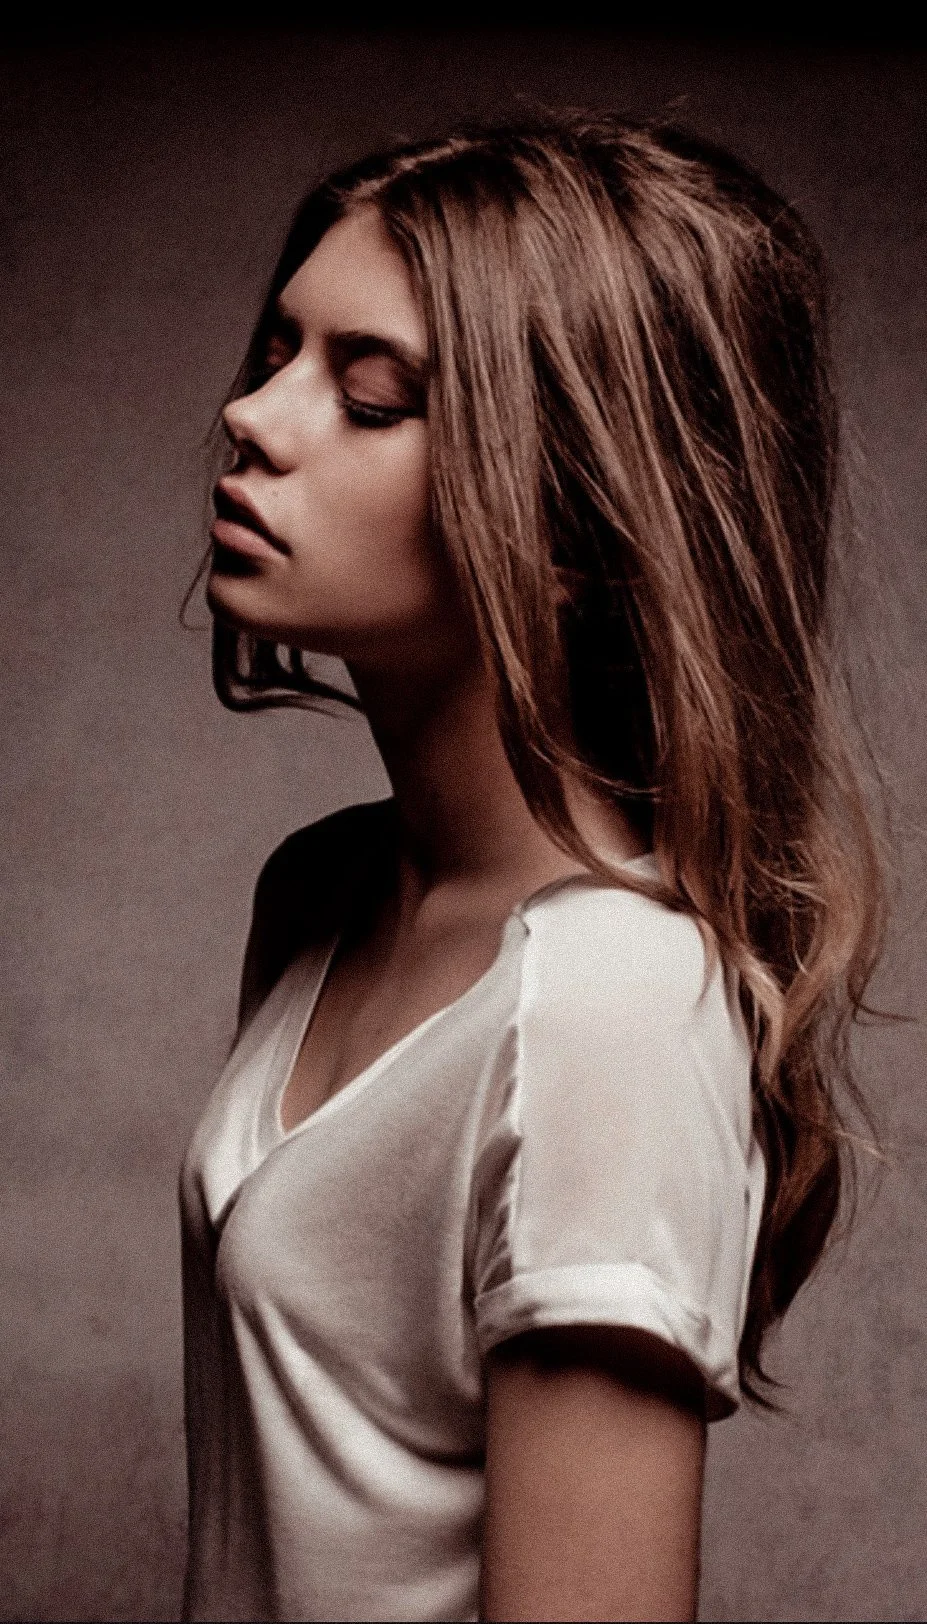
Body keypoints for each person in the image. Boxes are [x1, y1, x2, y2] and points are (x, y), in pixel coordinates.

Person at [178, 112, 886, 1622]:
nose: (253, 415)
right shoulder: (322, 896)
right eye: (277, 352)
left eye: (368, 398)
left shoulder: (606, 1004)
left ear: (573, 519)